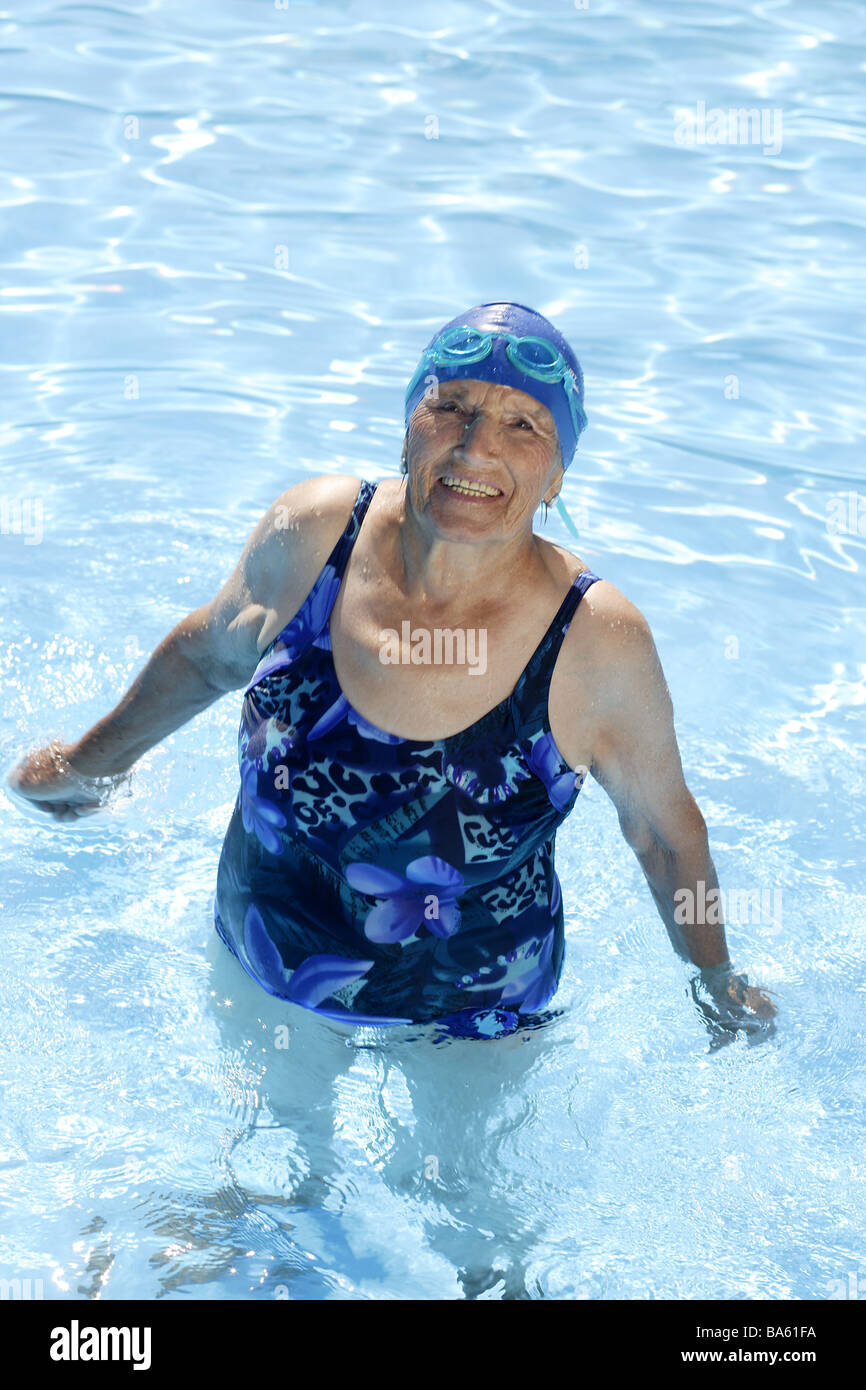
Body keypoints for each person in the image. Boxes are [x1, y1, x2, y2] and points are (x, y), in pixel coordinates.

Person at [8, 301, 777, 1043]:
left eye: (524, 425)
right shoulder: (315, 534)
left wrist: (715, 980)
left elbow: (665, 834)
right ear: (407, 427)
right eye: (452, 407)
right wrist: (87, 767)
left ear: (558, 475)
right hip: (270, 958)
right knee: (271, 1174)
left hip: (473, 1017)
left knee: (459, 1182)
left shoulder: (596, 640)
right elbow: (207, 655)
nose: (477, 447)